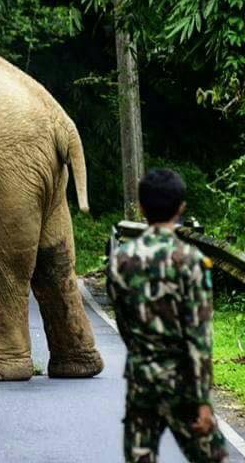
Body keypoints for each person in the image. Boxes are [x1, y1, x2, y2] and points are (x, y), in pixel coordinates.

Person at [107, 168, 229, 462]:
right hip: (182, 385)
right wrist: (203, 400)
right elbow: (199, 335)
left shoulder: (120, 260)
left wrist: (143, 354)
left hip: (142, 382)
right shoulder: (192, 261)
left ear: (141, 207)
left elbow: (123, 321)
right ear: (181, 208)